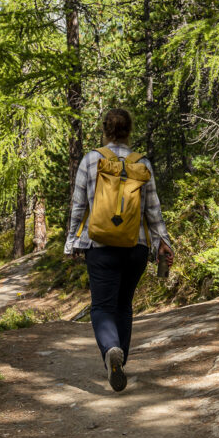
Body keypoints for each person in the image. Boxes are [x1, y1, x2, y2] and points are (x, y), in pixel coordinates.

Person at [64, 108, 174, 392]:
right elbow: (153, 210)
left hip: (99, 245)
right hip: (135, 247)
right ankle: (119, 359)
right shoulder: (142, 163)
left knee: (101, 306)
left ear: (105, 130)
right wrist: (163, 242)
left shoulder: (91, 159)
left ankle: (111, 349)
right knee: (124, 306)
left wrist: (72, 241)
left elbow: (78, 205)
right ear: (129, 130)